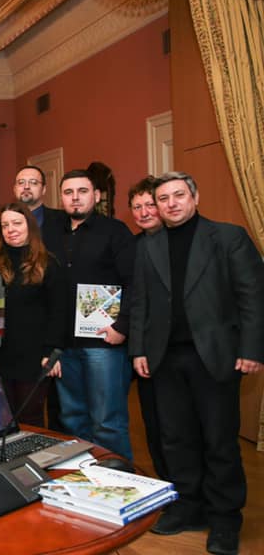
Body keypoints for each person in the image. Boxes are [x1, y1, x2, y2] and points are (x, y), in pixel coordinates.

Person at [130, 172, 263, 555]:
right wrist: (138, 349)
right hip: (164, 359)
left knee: (219, 440)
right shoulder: (149, 246)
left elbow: (253, 296)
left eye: (178, 195)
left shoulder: (228, 237)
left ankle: (225, 518)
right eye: (163, 198)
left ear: (194, 197)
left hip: (215, 357)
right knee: (176, 439)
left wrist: (252, 348)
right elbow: (140, 302)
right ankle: (188, 506)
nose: (171, 203)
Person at [43, 169, 135, 459]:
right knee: (72, 420)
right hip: (64, 345)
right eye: (68, 192)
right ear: (61, 198)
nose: (75, 198)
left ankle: (118, 478)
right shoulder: (51, 234)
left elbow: (135, 282)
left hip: (103, 342)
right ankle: (84, 479)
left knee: (107, 422)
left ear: (95, 195)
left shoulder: (115, 231)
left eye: (82, 191)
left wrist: (122, 326)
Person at [0, 202, 67, 427]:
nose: (11, 229)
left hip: (35, 357)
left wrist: (52, 351)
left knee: (31, 418)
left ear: (30, 226)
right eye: (5, 225)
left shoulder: (48, 262)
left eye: (17, 223)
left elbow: (59, 311)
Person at [126, 176, 168, 480]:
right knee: (154, 423)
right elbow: (134, 300)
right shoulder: (133, 246)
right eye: (137, 207)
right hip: (147, 351)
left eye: (149, 205)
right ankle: (167, 484)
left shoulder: (183, 242)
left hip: (182, 350)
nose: (144, 212)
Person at [0, 166, 67, 234]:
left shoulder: (64, 220)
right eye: (21, 182)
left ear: (43, 189)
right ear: (14, 189)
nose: (26, 187)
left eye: (33, 182)